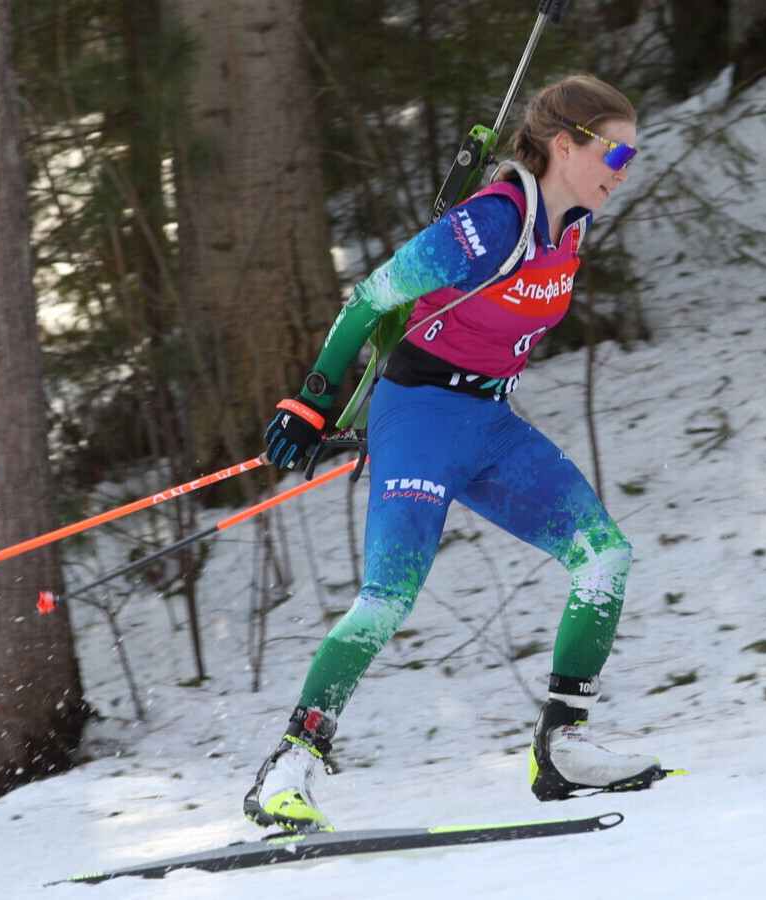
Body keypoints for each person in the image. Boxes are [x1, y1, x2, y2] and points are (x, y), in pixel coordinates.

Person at [247, 75, 663, 833]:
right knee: (388, 598)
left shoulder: (571, 224)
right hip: (420, 416)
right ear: (564, 145)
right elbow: (374, 294)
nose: (626, 167)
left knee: (604, 556)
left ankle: (562, 746)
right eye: (617, 150)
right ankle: (290, 765)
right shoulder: (491, 224)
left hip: (491, 422)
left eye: (634, 152)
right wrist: (313, 398)